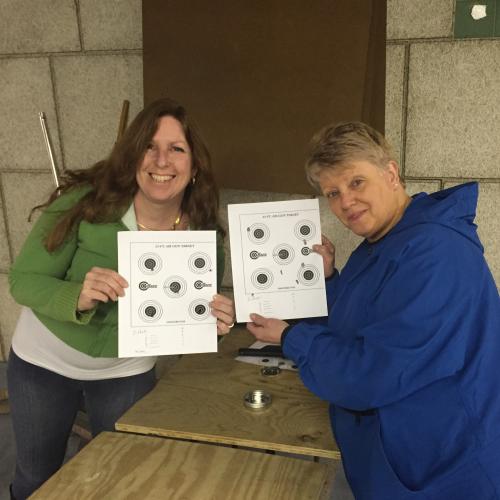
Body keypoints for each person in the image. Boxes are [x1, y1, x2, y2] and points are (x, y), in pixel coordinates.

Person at [247, 122, 500, 499]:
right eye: (332, 192)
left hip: (441, 474)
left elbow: (372, 374)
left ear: (391, 174)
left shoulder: (436, 253)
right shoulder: (384, 241)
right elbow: (364, 321)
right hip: (398, 460)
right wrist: (329, 280)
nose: (345, 201)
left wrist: (290, 337)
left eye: (356, 182)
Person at [7, 97, 235, 499]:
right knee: (36, 477)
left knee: (119, 476)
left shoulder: (202, 236)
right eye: (150, 146)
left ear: (194, 166)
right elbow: (23, 280)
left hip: (125, 371)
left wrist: (213, 325)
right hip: (44, 363)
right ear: (133, 156)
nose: (162, 160)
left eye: (176, 149)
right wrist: (74, 294)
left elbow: (189, 323)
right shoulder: (85, 204)